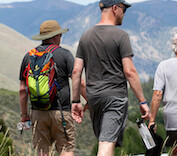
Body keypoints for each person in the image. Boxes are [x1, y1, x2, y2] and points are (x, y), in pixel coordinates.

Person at [71, 0, 150, 155]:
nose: (124, 13)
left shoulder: (85, 36)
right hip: (114, 98)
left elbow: (76, 71)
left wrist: (75, 101)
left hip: (94, 99)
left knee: (105, 140)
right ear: (115, 8)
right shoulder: (121, 36)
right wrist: (142, 101)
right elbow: (130, 72)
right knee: (106, 143)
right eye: (123, 9)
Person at [19, 20, 86, 156]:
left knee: (42, 151)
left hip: (38, 112)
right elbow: (79, 81)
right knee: (66, 149)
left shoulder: (29, 56)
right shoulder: (65, 54)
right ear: (56, 37)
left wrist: (25, 115)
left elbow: (22, 90)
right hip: (62, 112)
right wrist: (89, 100)